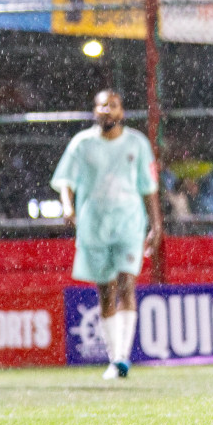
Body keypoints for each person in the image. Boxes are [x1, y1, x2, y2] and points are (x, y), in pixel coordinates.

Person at [52, 90, 162, 380]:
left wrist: (157, 224)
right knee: (106, 291)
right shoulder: (82, 143)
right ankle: (114, 358)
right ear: (94, 111)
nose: (107, 111)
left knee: (127, 282)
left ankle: (123, 357)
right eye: (102, 106)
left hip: (129, 224)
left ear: (121, 111)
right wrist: (67, 206)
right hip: (94, 226)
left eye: (112, 106)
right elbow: (66, 180)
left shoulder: (137, 143)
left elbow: (148, 187)